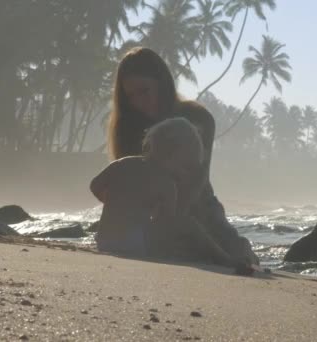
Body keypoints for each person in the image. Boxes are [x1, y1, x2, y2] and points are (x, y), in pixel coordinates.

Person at [107, 47, 258, 264]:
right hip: (152, 210)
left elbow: (199, 177)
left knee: (236, 252)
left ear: (161, 82)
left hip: (200, 204)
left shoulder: (197, 117)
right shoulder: (127, 127)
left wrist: (176, 217)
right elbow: (128, 183)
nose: (138, 101)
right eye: (131, 96)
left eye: (144, 91)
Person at [91, 117, 252, 272]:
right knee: (188, 224)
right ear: (169, 153)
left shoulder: (123, 163)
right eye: (186, 166)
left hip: (104, 239)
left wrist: (116, 203)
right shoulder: (166, 184)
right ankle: (224, 258)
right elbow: (170, 223)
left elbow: (95, 185)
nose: (185, 175)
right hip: (133, 243)